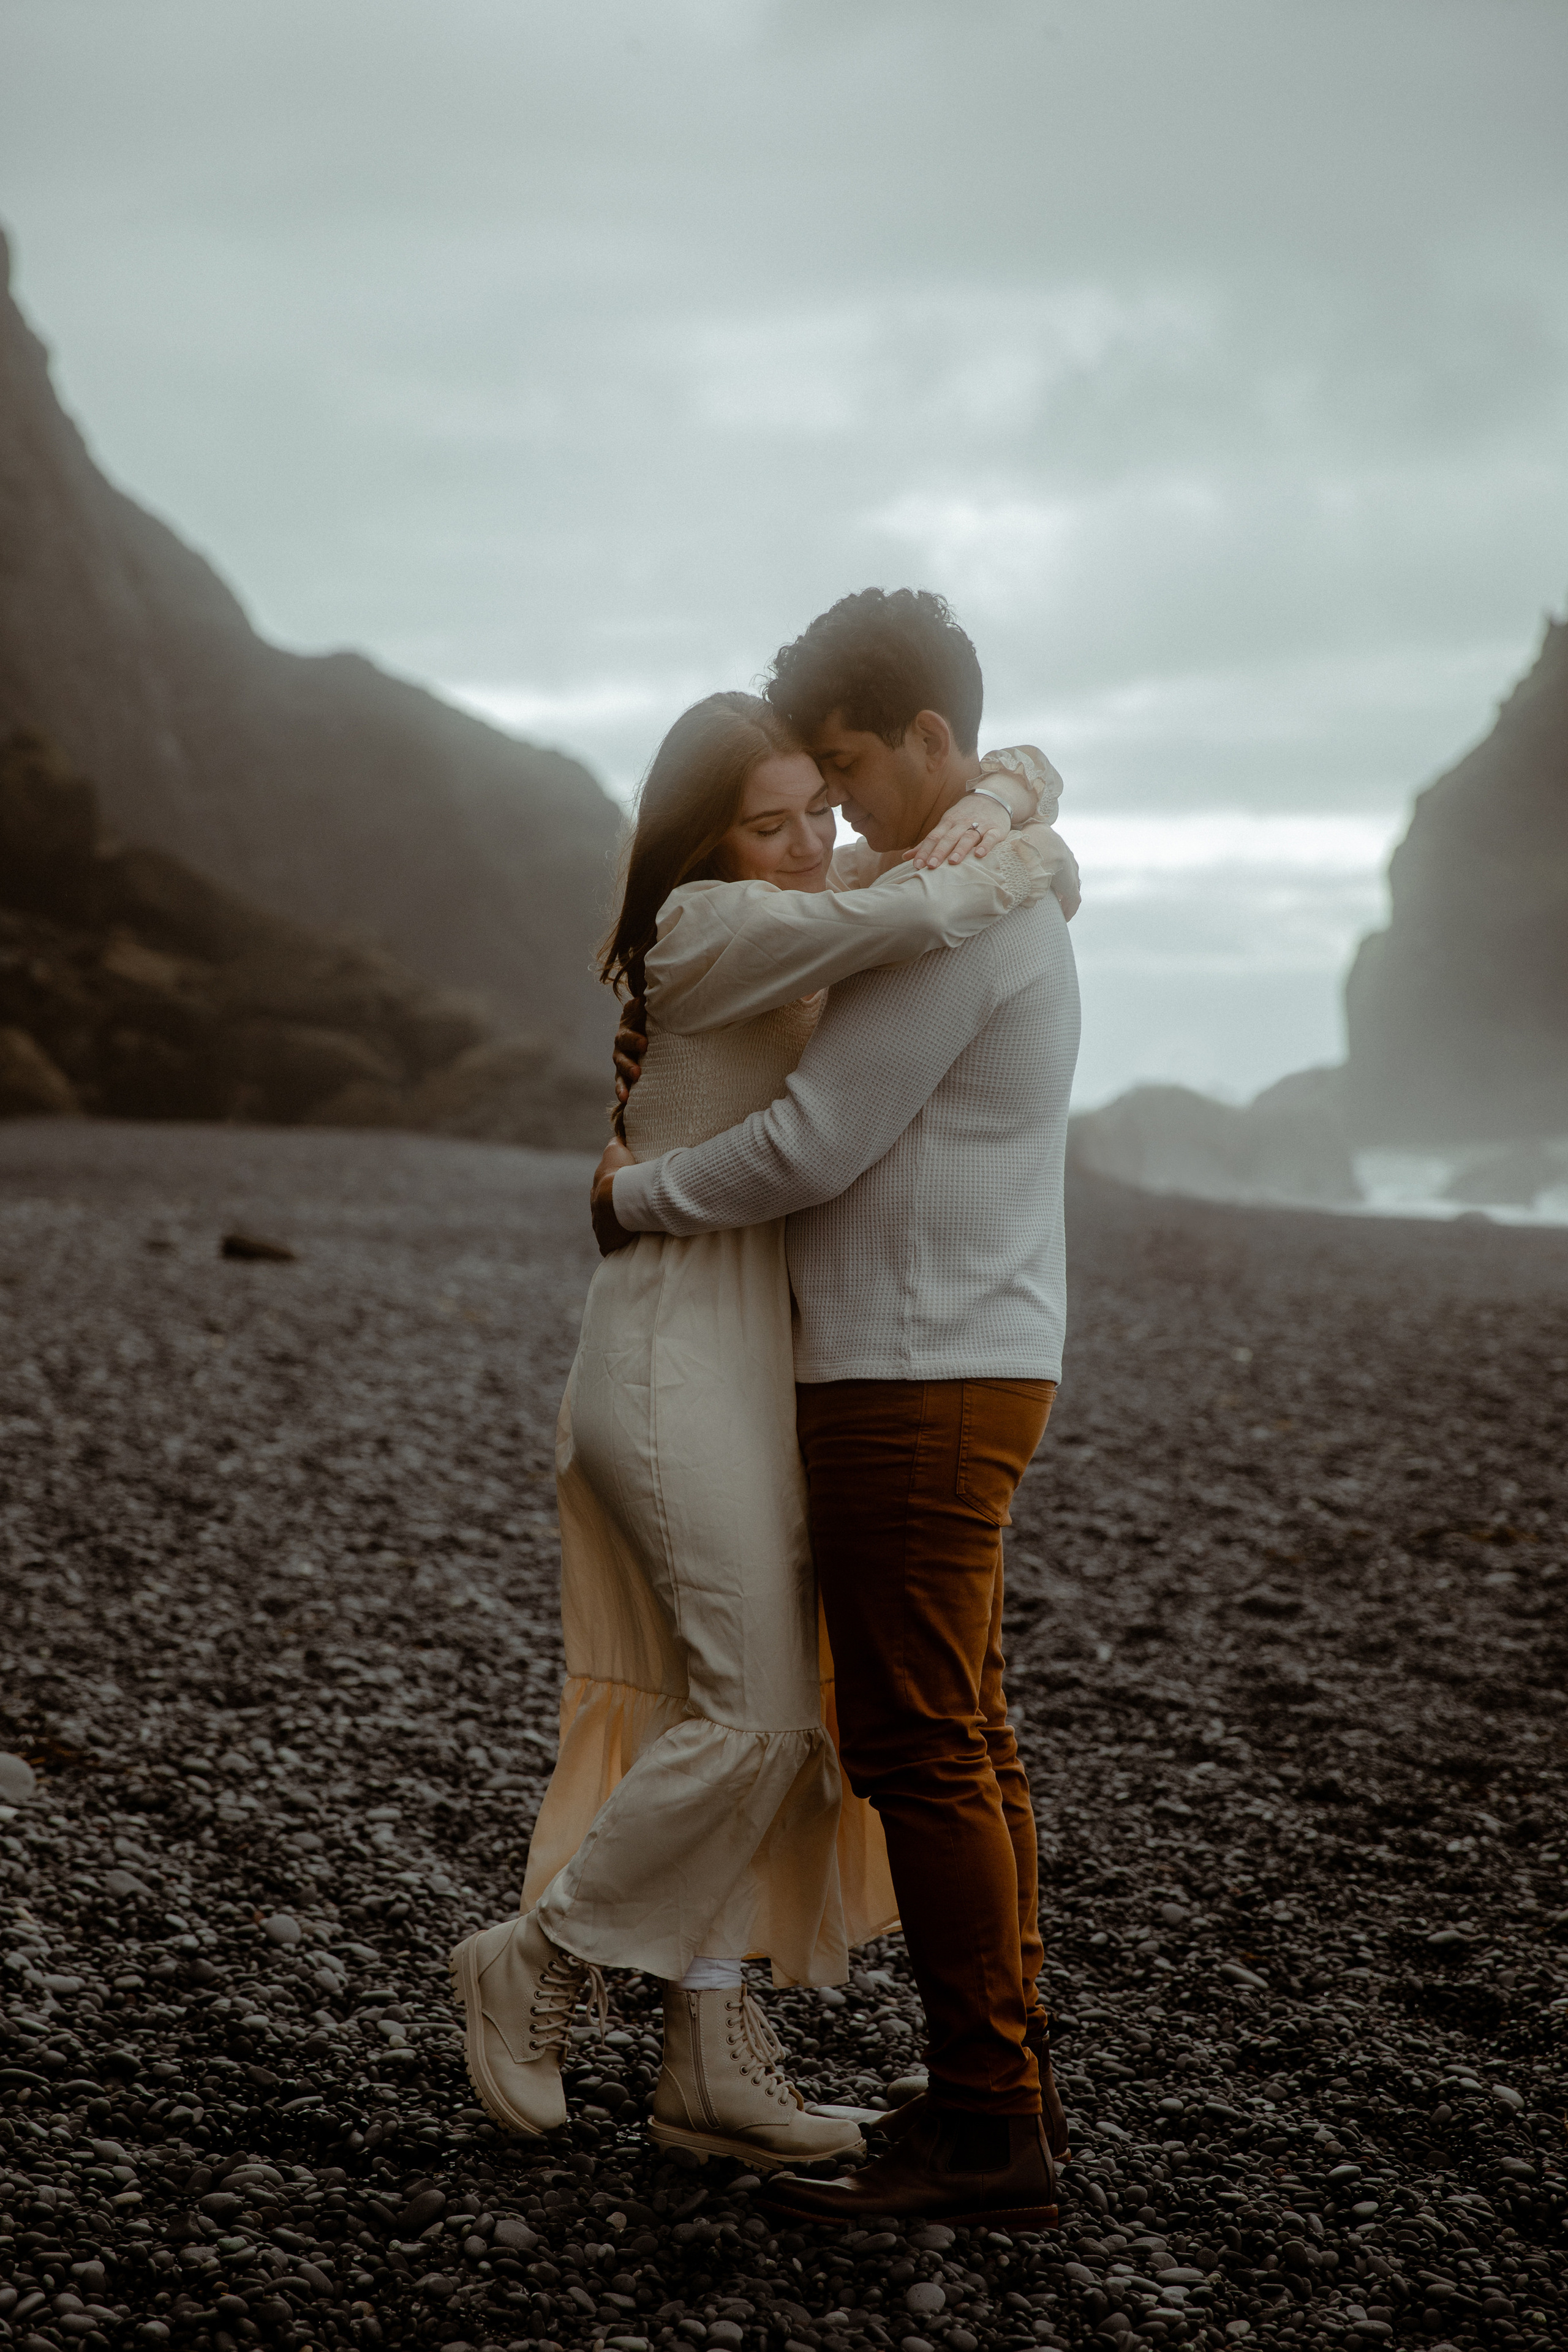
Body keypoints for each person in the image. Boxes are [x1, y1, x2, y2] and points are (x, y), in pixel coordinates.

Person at [449, 680, 1074, 2174]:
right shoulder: (709, 928)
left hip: (748, 1354)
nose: (809, 844)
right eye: (769, 822)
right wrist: (1011, 852)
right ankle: (536, 1960)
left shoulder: (802, 890)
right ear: (703, 838)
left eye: (818, 813)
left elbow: (1014, 788)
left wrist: (1006, 802)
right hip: (669, 1344)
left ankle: (709, 2060)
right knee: (755, 1714)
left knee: (730, 1708)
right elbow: (910, 922)